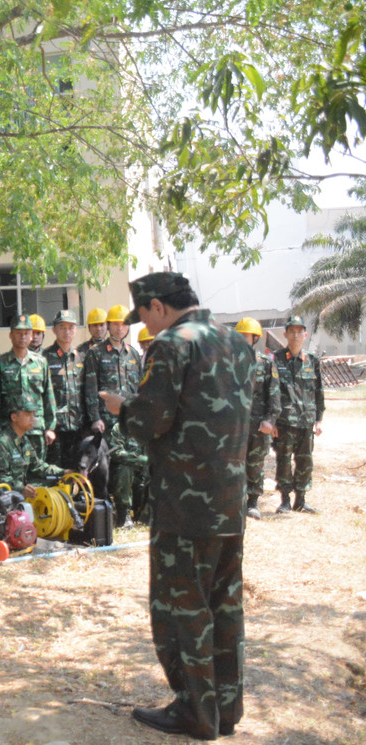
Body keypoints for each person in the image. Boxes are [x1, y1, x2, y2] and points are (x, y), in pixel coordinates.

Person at [101, 271, 252, 741]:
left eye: (144, 315)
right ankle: (226, 708)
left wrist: (121, 408)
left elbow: (150, 422)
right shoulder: (236, 342)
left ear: (158, 307)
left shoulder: (171, 345)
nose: (144, 326)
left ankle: (195, 713)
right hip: (229, 501)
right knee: (224, 605)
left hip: (185, 507)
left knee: (181, 609)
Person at [272, 314, 324, 514]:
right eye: (292, 331)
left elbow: (319, 392)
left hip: (306, 421)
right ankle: (285, 500)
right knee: (284, 461)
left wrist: (319, 420)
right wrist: (271, 420)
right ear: (285, 334)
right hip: (283, 422)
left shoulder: (312, 360)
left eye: (299, 332)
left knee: (305, 461)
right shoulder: (275, 359)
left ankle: (301, 500)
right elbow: (270, 391)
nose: (296, 335)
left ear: (305, 335)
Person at [0, 314, 56, 462]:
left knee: (37, 470)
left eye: (26, 333)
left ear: (31, 335)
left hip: (36, 429)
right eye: (18, 333)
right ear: (11, 335)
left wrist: (50, 428)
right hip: (9, 430)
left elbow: (48, 396)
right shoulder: (0, 363)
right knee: (11, 470)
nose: (23, 337)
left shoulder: (41, 363)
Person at [233, 318, 279, 520]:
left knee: (255, 464)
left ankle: (252, 502)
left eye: (247, 336)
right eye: (240, 336)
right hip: (234, 425)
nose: (243, 339)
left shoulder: (266, 363)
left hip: (258, 425)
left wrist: (270, 419)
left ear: (255, 338)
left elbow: (274, 394)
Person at [0, 394, 66, 495]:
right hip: (0, 497)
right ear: (14, 417)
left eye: (33, 414)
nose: (33, 419)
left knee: (56, 482)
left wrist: (63, 472)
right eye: (28, 415)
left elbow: (37, 466)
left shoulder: (24, 440)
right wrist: (21, 489)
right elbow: (0, 478)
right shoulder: (1, 443)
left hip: (16, 494)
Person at [82, 304, 141, 438]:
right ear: (108, 325)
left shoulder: (133, 354)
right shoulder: (95, 353)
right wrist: (95, 418)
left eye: (124, 324)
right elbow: (90, 388)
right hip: (106, 422)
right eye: (115, 324)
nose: (120, 328)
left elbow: (140, 388)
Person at [44, 310, 85, 469]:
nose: (67, 331)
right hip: (55, 428)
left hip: (78, 426)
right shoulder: (44, 358)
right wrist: (47, 426)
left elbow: (88, 393)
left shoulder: (82, 357)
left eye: (71, 327)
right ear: (54, 330)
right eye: (62, 327)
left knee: (76, 471)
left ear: (75, 330)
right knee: (54, 471)